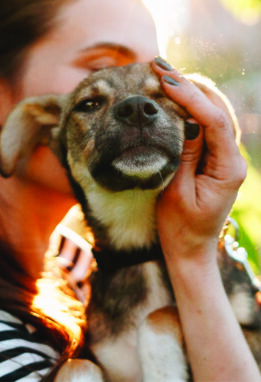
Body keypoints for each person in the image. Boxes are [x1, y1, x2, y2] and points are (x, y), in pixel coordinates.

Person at [0, 0, 260, 381]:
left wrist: (193, 256)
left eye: (162, 84)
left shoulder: (78, 264)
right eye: (98, 74)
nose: (138, 101)